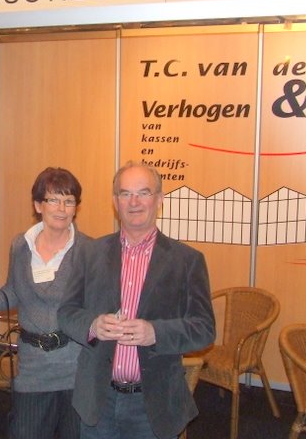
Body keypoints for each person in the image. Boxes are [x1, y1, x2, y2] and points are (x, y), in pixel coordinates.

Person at [57, 161, 215, 439]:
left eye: (143, 192)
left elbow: (204, 329)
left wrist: (156, 332)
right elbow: (66, 313)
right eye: (125, 193)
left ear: (159, 199)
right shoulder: (90, 253)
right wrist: (93, 325)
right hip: (97, 401)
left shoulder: (187, 260)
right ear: (115, 201)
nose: (134, 202)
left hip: (153, 405)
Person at [0, 167, 92, 439]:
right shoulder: (20, 246)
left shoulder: (89, 251)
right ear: (38, 205)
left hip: (76, 368)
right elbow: (13, 292)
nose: (61, 208)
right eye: (53, 199)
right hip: (33, 368)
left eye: (69, 201)